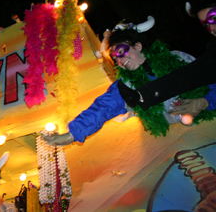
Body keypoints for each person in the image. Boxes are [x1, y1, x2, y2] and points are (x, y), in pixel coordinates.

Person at [44, 16, 216, 145]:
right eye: (114, 59)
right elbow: (103, 107)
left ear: (138, 46)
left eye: (121, 52)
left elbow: (211, 77)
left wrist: (205, 101)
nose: (119, 61)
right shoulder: (127, 85)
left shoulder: (177, 57)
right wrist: (73, 133)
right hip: (187, 144)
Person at [118, 0, 216, 111]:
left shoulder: (177, 57)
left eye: (213, 18)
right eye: (206, 25)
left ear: (138, 46)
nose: (212, 28)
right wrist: (206, 102)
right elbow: (190, 75)